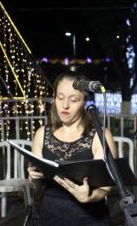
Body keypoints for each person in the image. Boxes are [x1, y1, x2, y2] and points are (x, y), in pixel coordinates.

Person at [27, 71, 116, 225]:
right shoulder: (42, 134)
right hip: (47, 215)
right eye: (60, 98)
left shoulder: (100, 135)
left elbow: (105, 187)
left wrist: (89, 196)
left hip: (89, 218)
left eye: (73, 99)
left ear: (85, 102)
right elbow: (39, 185)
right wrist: (33, 179)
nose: (65, 105)